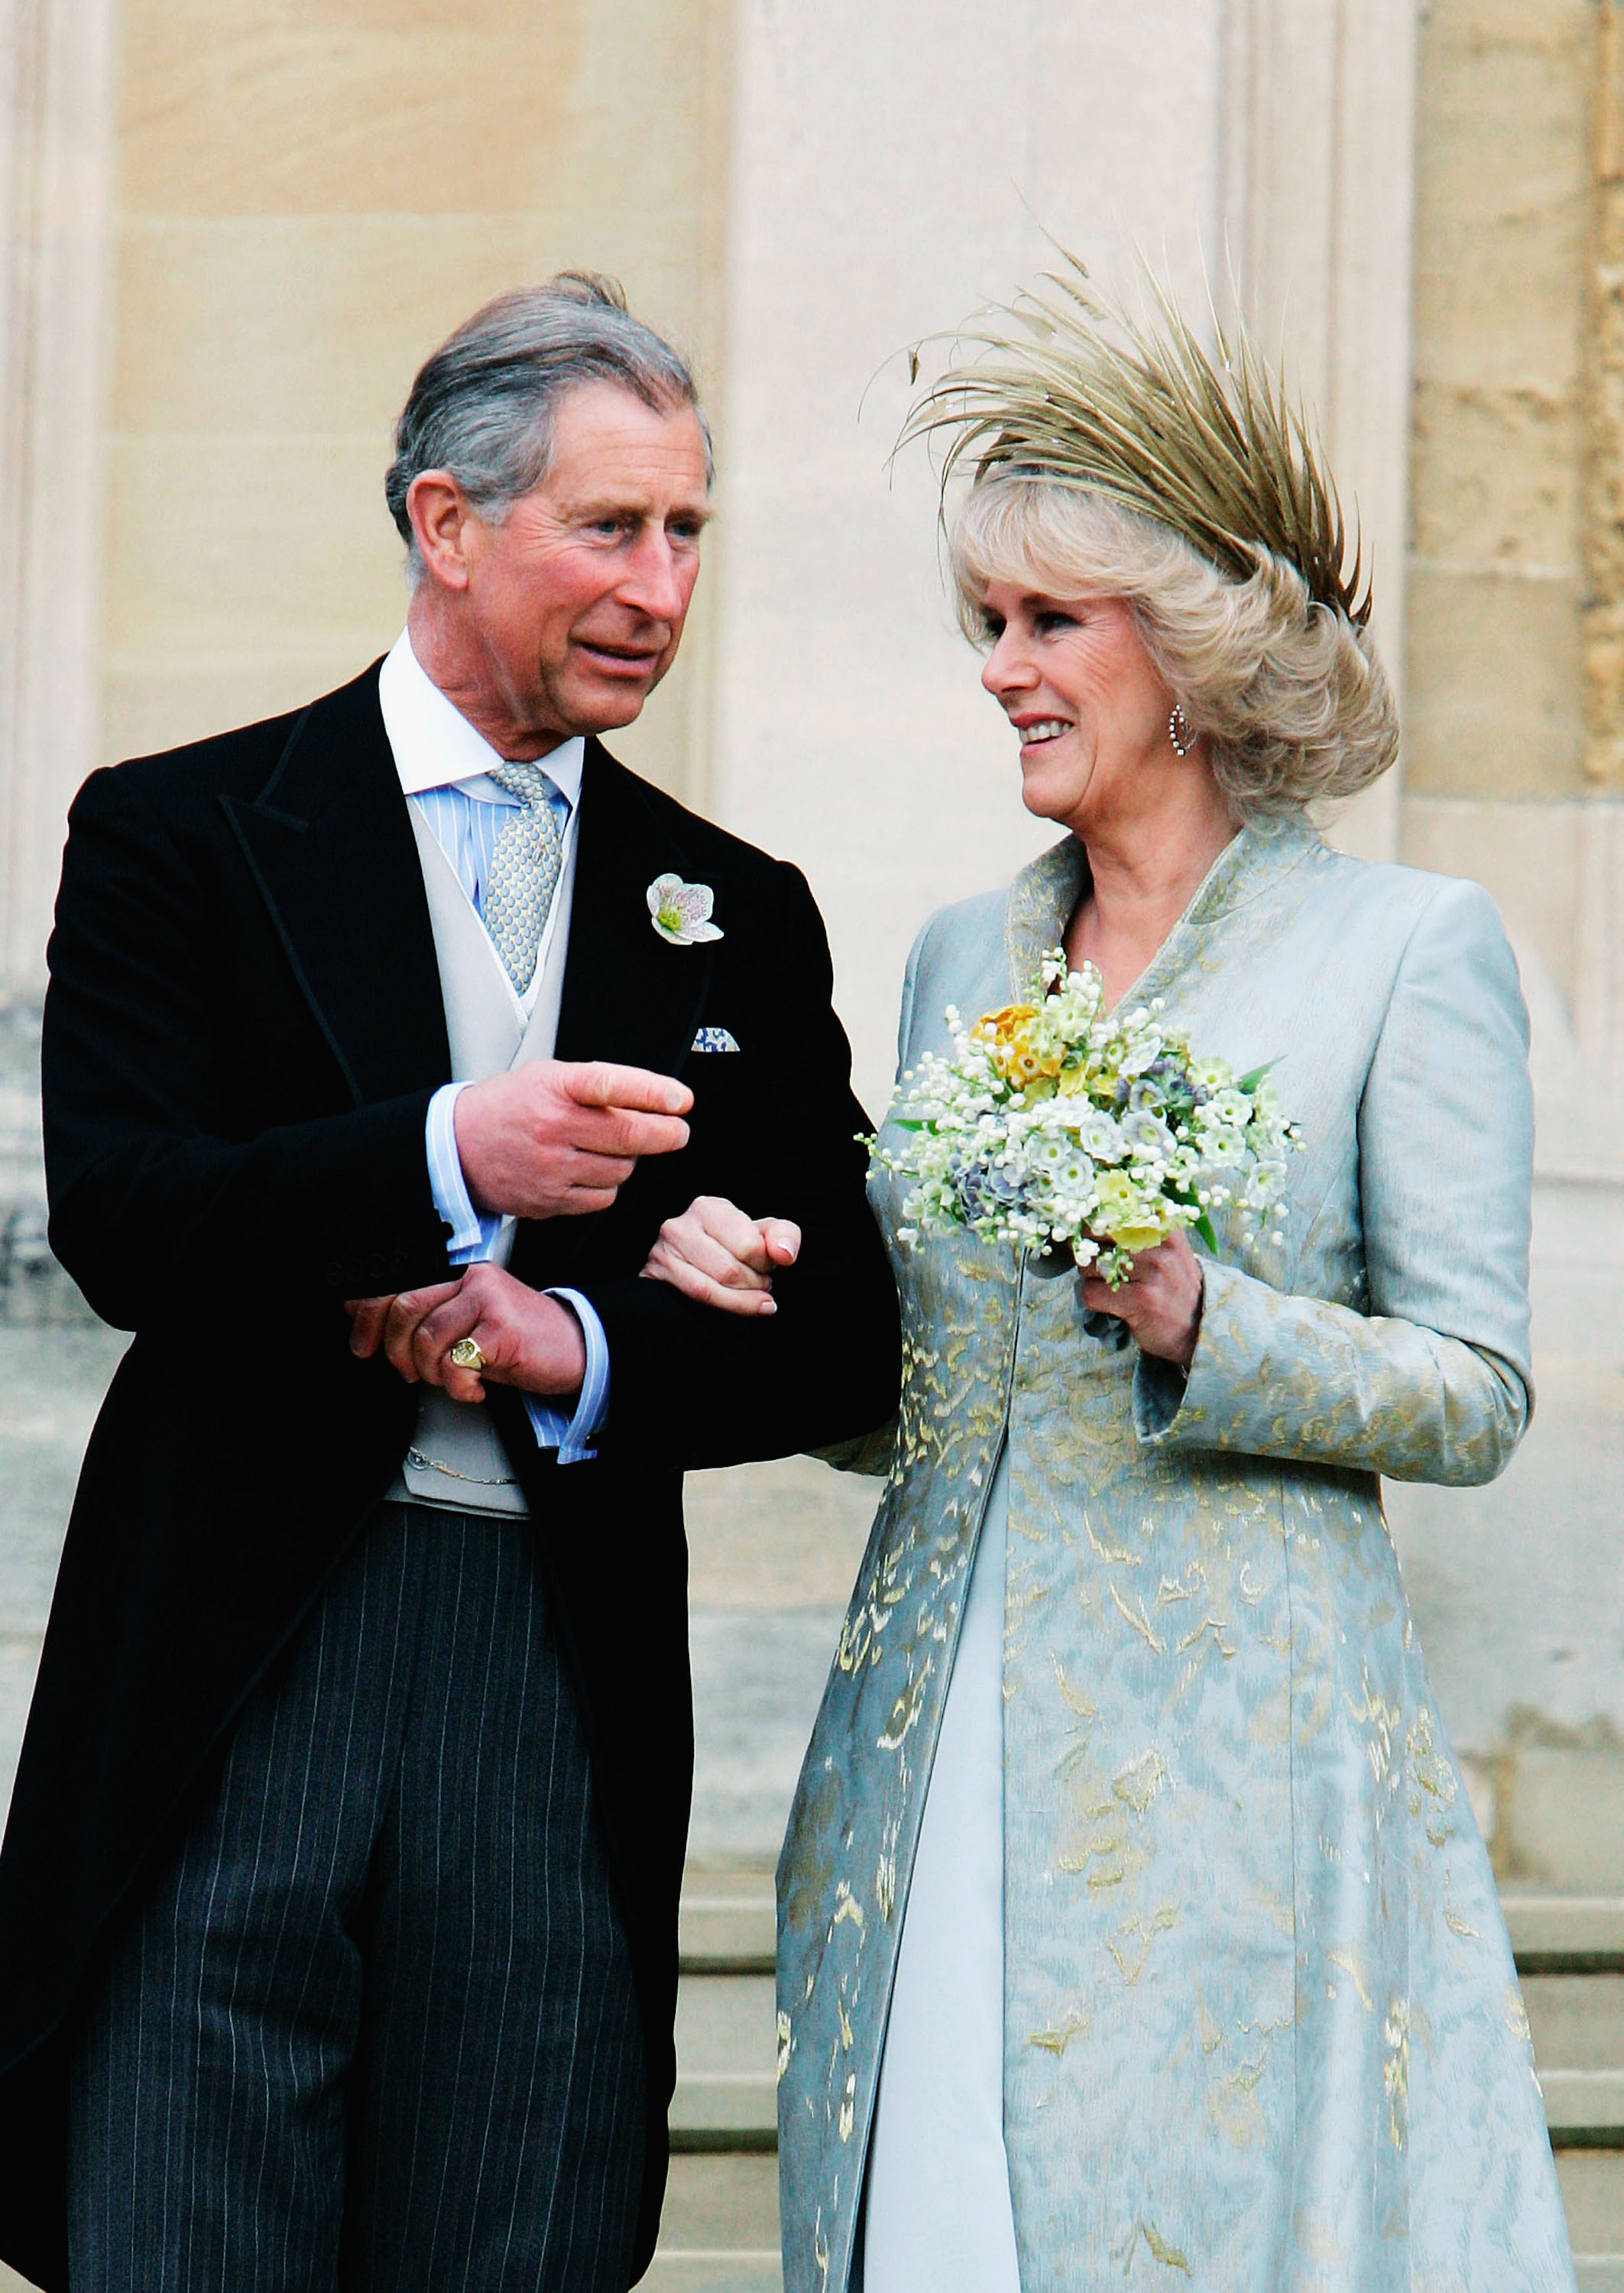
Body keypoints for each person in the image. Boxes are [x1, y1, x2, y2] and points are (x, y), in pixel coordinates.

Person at [644, 266, 1578, 2291]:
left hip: (1236, 1767)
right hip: (929, 1731)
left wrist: (1200, 1317)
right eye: (989, 623)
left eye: (1050, 622)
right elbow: (914, 1385)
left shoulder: (1402, 952)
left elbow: (1477, 1389)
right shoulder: (957, 960)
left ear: (1192, 648)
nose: (1001, 670)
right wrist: (766, 1292)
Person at [0, 273, 898, 2293]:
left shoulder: (737, 908)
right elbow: (124, 1214)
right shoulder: (179, 832)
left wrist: (578, 1334)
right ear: (448, 523)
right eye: (611, 527)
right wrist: (438, 1159)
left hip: (550, 1680)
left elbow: (850, 1328)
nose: (662, 587)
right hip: (237, 1663)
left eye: (688, 531)